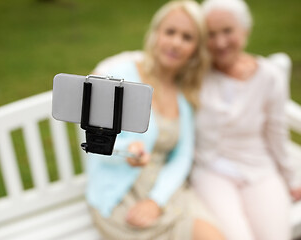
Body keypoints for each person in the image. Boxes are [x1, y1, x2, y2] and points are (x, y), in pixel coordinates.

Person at [86, 1, 225, 239]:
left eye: (187, 37)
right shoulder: (119, 77)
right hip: (119, 192)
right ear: (156, 34)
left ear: (196, 47)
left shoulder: (184, 92)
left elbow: (182, 155)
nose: (176, 43)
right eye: (170, 32)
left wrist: (156, 201)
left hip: (166, 189)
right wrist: (127, 151)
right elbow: (96, 147)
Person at [191, 0, 301, 239]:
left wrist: (292, 179)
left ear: (244, 30)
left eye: (227, 31)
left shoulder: (269, 76)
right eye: (211, 34)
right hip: (211, 169)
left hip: (258, 166)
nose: (220, 42)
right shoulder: (196, 73)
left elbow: (277, 131)